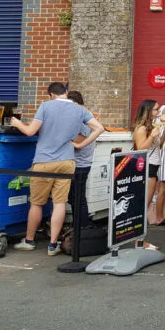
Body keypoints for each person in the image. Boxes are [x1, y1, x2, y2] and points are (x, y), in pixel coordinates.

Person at [12, 82, 104, 255]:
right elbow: (98, 128)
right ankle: (53, 245)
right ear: (66, 93)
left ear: (51, 95)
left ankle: (29, 240)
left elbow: (31, 131)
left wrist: (17, 123)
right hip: (67, 162)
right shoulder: (80, 110)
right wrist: (80, 145)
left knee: (37, 203)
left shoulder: (46, 106)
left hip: (44, 161)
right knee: (59, 203)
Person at [66, 90, 94, 228]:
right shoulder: (86, 117)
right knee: (75, 198)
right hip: (82, 164)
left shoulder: (82, 120)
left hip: (80, 165)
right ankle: (80, 226)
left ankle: (82, 227)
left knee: (78, 198)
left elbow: (77, 143)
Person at [132, 99, 162, 220]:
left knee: (146, 203)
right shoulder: (142, 128)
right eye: (156, 109)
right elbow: (141, 148)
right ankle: (137, 238)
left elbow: (157, 146)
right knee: (144, 203)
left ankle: (140, 238)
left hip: (153, 166)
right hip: (147, 167)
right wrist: (152, 136)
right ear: (148, 111)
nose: (158, 112)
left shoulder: (151, 127)